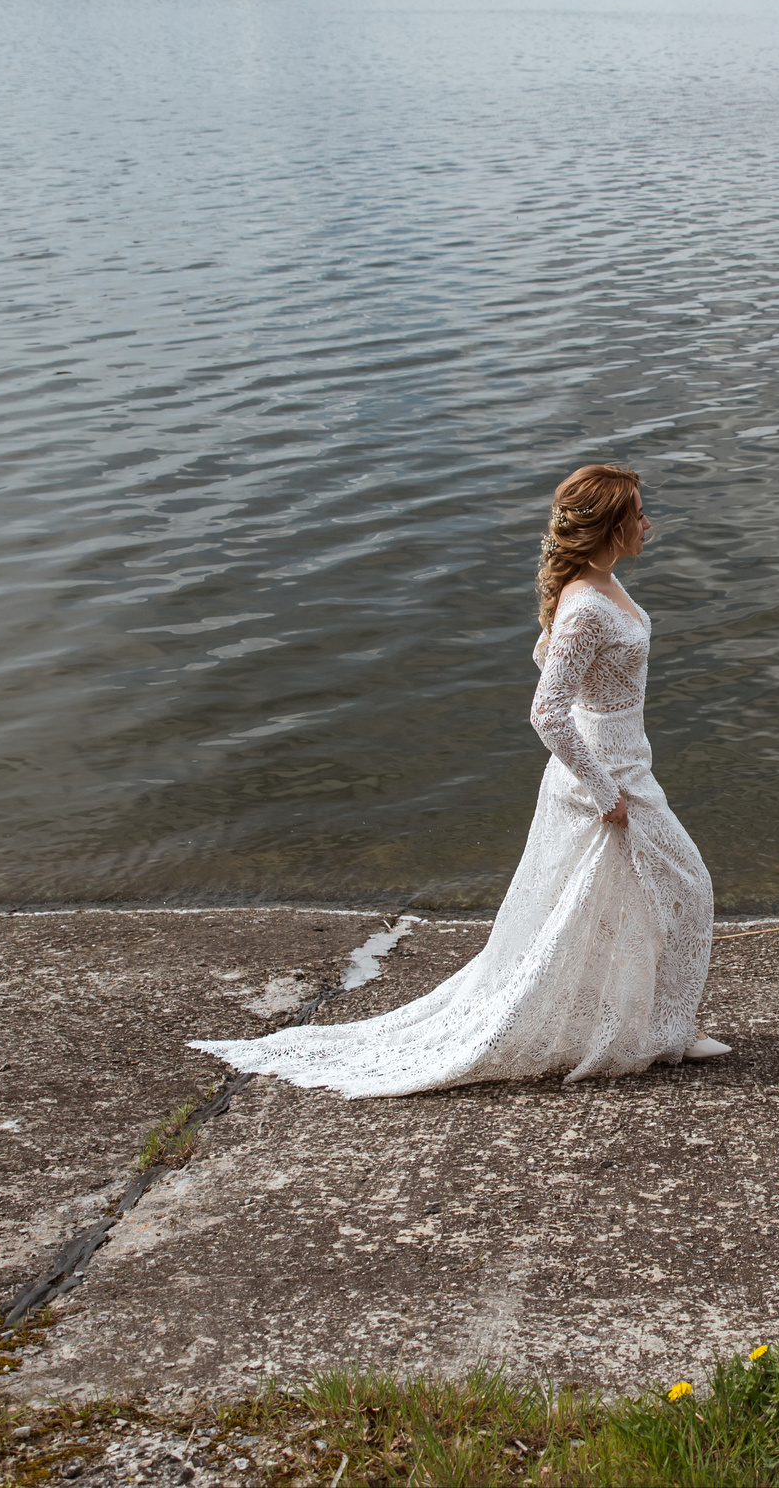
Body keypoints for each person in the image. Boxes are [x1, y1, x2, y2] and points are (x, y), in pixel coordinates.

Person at [192, 464, 724, 1095]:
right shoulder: (586, 604)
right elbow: (546, 711)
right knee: (687, 886)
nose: (646, 523)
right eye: (636, 513)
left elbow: (550, 660)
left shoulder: (601, 586)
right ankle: (661, 1031)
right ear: (608, 525)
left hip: (629, 760)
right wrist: (605, 792)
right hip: (606, 779)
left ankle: (657, 1028)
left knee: (625, 905)